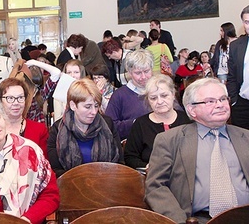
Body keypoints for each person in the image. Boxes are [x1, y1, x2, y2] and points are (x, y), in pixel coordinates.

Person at [145, 78, 249, 223]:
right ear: (191, 110)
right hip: (196, 219)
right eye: (210, 101)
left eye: (223, 99)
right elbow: (155, 186)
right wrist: (179, 220)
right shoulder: (169, 140)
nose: (220, 105)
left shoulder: (245, 138)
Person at [48, 78, 121, 177]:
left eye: (96, 106)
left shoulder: (108, 124)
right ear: (73, 105)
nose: (94, 112)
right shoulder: (57, 129)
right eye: (88, 107)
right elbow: (55, 170)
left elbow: (119, 163)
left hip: (105, 186)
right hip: (70, 187)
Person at [124, 74, 191, 170]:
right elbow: (130, 157)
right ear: (148, 100)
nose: (159, 102)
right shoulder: (140, 124)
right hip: (152, 179)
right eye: (153, 98)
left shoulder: (187, 120)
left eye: (164, 96)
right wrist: (146, 167)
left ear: (173, 94)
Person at [105, 49, 153, 140]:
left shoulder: (160, 91)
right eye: (138, 73)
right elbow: (109, 125)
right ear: (130, 72)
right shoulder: (119, 95)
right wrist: (135, 123)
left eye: (146, 71)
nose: (143, 77)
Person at [0, 78, 49, 157]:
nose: (16, 103)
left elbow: (44, 164)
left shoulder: (39, 129)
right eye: (10, 98)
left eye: (20, 98)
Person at [227, 5, 249, 130]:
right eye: (247, 22)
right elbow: (232, 77)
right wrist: (234, 101)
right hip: (242, 105)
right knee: (242, 144)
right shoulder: (236, 46)